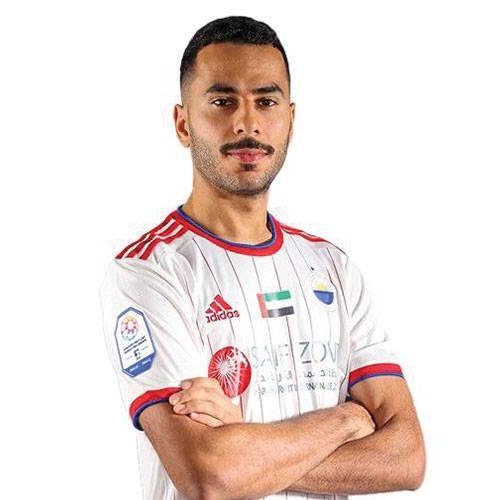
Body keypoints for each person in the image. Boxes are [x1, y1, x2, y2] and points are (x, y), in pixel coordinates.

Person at [100, 15, 425, 500]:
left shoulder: (332, 268)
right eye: (222, 101)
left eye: (266, 102)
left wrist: (243, 442)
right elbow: (210, 477)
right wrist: (347, 420)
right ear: (183, 124)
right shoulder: (147, 271)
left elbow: (407, 458)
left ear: (290, 120)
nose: (247, 122)